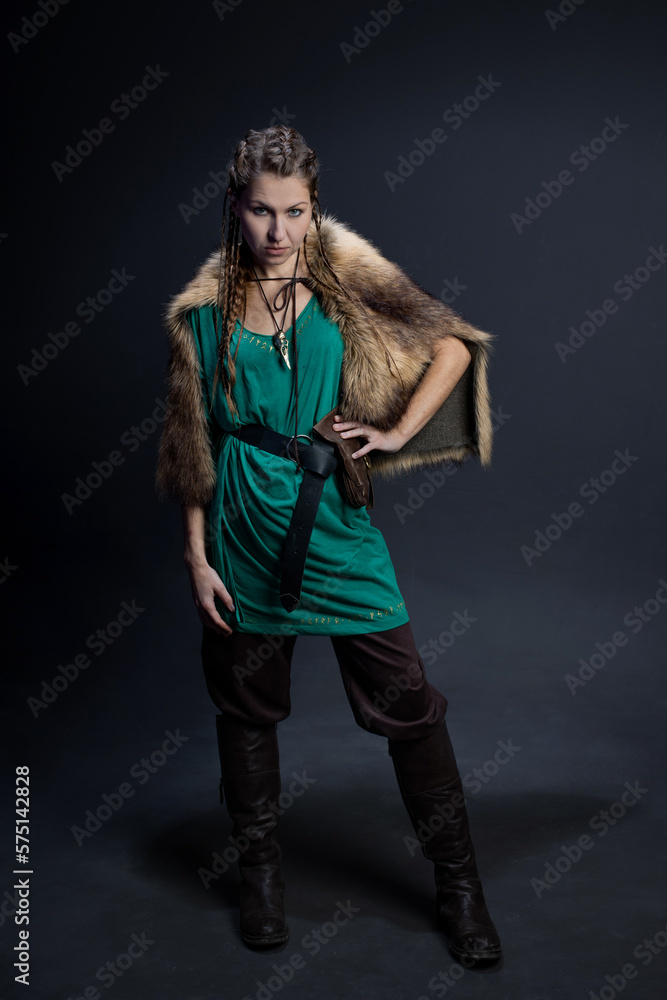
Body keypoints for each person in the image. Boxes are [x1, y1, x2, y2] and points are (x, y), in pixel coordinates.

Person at [155, 125, 501, 966]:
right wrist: (197, 559)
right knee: (247, 710)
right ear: (234, 208)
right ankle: (260, 879)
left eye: (296, 212)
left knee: (409, 705)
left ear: (315, 208)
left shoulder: (347, 281)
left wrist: (393, 432)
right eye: (262, 212)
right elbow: (190, 445)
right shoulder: (199, 318)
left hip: (332, 525)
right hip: (240, 525)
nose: (279, 232)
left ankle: (458, 887)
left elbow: (454, 345)